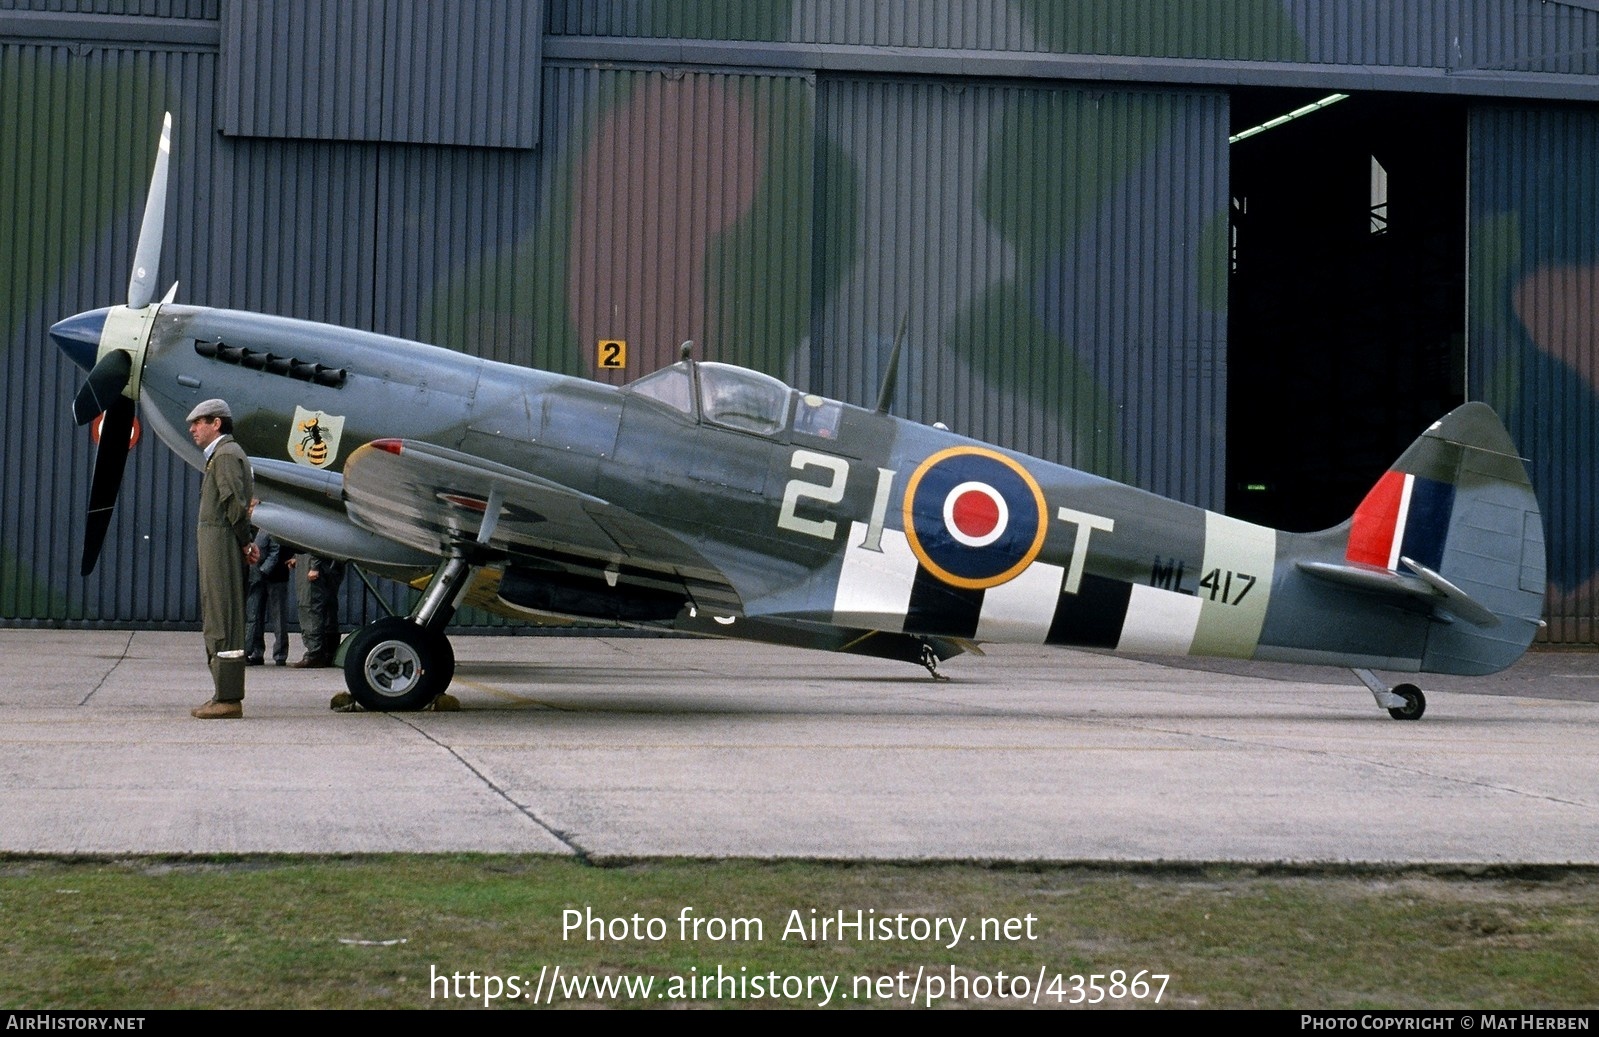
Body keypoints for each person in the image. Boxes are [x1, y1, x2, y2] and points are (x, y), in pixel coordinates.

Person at [187, 399, 254, 719]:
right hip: (218, 540)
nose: (192, 429)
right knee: (217, 615)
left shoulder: (225, 455)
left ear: (217, 423)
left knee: (223, 618)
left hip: (222, 541)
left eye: (198, 422)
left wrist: (244, 541)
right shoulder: (221, 456)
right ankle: (221, 693)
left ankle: (228, 697)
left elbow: (233, 503)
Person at [245, 520, 291, 666]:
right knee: (256, 615)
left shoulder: (270, 524)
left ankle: (280, 655)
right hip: (257, 579)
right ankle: (257, 652)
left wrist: (262, 571)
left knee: (278, 616)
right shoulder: (249, 528)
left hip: (275, 576)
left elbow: (275, 551)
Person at [290, 552, 344, 667]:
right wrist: (297, 557)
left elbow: (314, 541)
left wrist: (314, 566)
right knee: (327, 607)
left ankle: (315, 654)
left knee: (310, 606)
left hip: (314, 564)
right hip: (325, 564)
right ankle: (329, 652)